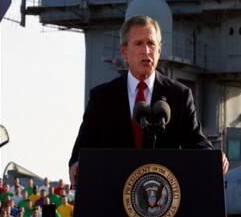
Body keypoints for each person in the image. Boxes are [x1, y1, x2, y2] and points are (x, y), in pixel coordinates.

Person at [69, 15, 229, 185]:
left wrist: (214, 157)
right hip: (114, 192)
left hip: (164, 196)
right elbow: (82, 147)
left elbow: (196, 143)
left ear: (159, 50)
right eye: (139, 43)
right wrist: (76, 164)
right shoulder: (102, 98)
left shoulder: (179, 96)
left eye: (151, 44)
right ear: (124, 52)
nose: (146, 51)